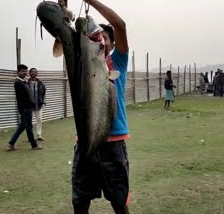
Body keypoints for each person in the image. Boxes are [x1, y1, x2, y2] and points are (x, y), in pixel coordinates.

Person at [72, 1, 130, 213]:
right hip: (85, 140)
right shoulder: (83, 63)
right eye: (97, 37)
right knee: (80, 200)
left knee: (119, 201)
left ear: (112, 45)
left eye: (105, 37)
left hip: (113, 142)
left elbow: (120, 25)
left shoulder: (118, 62)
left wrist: (91, 2)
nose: (100, 40)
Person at [7, 64, 42, 151]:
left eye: (26, 71)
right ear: (18, 72)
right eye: (23, 71)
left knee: (22, 126)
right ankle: (34, 145)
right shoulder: (18, 82)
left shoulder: (23, 81)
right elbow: (22, 98)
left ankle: (11, 144)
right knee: (29, 127)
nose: (25, 73)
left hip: (27, 107)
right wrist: (31, 104)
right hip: (25, 108)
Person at [29, 68, 46, 141]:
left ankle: (39, 135)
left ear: (37, 73)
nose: (33, 73)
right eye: (32, 72)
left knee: (39, 120)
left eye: (35, 72)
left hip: (38, 105)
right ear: (29, 73)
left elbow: (44, 92)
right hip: (29, 105)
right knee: (29, 121)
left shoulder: (40, 83)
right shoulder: (26, 83)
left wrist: (43, 100)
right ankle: (30, 137)